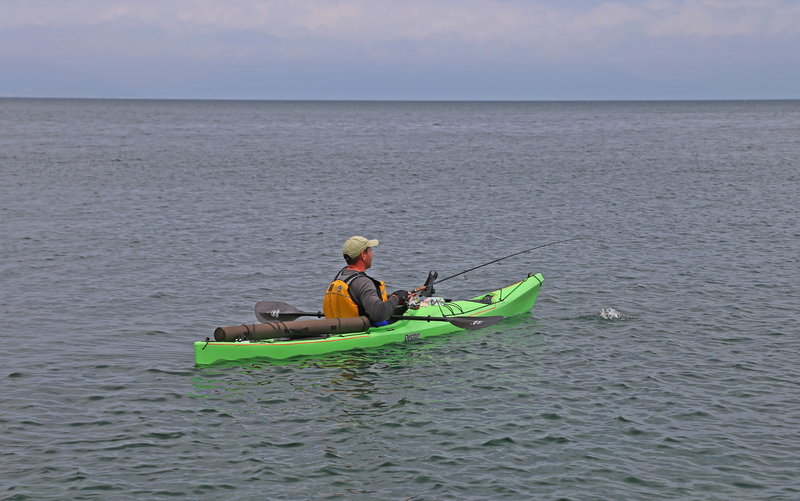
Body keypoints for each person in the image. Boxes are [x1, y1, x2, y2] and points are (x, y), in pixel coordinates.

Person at [322, 236, 410, 325]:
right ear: (363, 255)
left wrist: (391, 298)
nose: (372, 254)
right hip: (358, 331)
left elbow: (357, 298)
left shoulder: (340, 276)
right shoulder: (364, 283)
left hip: (339, 328)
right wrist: (396, 297)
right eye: (370, 251)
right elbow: (379, 314)